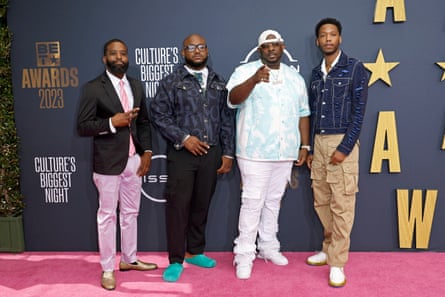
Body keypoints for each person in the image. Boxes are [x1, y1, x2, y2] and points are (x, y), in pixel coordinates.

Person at [150, 33, 235, 282]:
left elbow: (227, 120)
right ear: (183, 52)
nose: (197, 51)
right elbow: (159, 115)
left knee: (201, 204)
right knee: (178, 208)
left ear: (207, 50)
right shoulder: (172, 81)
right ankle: (175, 260)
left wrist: (228, 152)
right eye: (191, 47)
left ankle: (194, 251)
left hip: (212, 152)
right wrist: (184, 138)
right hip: (181, 153)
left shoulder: (220, 82)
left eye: (201, 47)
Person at [226, 29, 310, 280]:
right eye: (266, 46)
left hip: (284, 151)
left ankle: (268, 246)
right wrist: (254, 79)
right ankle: (243, 254)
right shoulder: (244, 71)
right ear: (260, 50)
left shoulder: (295, 78)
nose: (271, 49)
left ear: (282, 47)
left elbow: (303, 113)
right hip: (253, 151)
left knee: (274, 201)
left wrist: (304, 146)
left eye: (275, 44)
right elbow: (232, 99)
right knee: (252, 202)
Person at [77, 38, 158, 290]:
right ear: (105, 59)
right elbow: (83, 126)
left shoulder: (136, 84)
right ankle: (108, 268)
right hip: (108, 163)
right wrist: (112, 122)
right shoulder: (93, 88)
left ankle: (130, 259)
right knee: (107, 217)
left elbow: (143, 122)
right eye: (114, 54)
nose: (119, 57)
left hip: (134, 161)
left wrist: (147, 153)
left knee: (131, 213)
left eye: (123, 53)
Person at [305, 18, 368, 287]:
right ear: (318, 41)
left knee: (342, 205)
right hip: (318, 144)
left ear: (340, 38)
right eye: (323, 35)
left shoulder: (355, 68)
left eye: (332, 34)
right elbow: (311, 113)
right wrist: (309, 148)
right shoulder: (316, 73)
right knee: (321, 200)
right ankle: (329, 247)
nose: (328, 39)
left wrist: (345, 147)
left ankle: (338, 262)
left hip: (342, 141)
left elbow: (359, 113)